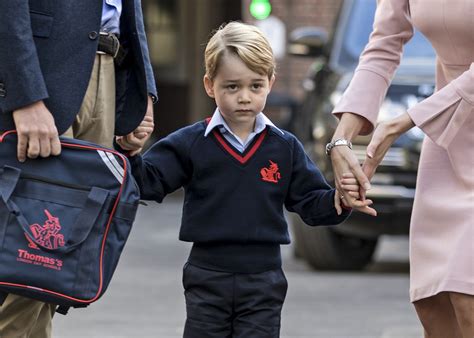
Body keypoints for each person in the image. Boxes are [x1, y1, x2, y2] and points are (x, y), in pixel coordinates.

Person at [116, 21, 370, 338]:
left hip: (264, 279)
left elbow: (311, 204)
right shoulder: (191, 143)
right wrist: (127, 149)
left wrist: (341, 199)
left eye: (255, 86)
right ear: (210, 85)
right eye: (232, 87)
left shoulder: (284, 147)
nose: (245, 97)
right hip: (207, 275)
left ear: (270, 82)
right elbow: (147, 180)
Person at [0, 1, 156, 337]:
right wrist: (25, 96)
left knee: (59, 258)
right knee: (30, 254)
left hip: (108, 68)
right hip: (45, 73)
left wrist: (142, 92)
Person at [330, 1, 473, 337]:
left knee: (468, 294)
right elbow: (383, 45)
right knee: (433, 302)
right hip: (448, 140)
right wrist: (341, 140)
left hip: (440, 117)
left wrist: (409, 119)